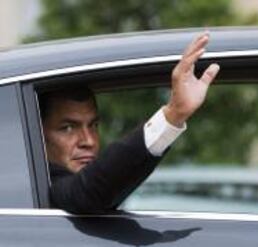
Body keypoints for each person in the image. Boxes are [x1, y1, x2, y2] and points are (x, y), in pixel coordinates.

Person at [39, 32, 220, 213]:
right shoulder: (49, 189)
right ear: (39, 136)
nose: (89, 141)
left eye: (93, 125)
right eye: (68, 128)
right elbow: (88, 190)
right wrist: (173, 114)